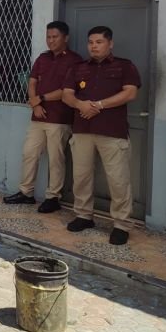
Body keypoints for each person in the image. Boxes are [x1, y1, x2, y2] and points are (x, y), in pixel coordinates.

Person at [62, 26, 140, 245]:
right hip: (83, 131)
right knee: (81, 176)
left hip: (112, 132)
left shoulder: (124, 66)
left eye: (99, 42)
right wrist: (81, 104)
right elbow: (68, 95)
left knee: (118, 180)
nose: (94, 46)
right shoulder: (78, 68)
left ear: (110, 43)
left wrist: (99, 105)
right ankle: (84, 216)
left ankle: (121, 224)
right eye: (91, 42)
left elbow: (131, 92)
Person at [4, 21, 83, 212]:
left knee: (56, 159)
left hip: (59, 118)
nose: (51, 40)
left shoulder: (75, 60)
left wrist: (40, 98)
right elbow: (32, 81)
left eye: (55, 37)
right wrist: (35, 102)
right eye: (48, 37)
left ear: (66, 38)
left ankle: (53, 197)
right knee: (29, 153)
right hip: (38, 117)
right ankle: (26, 192)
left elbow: (67, 90)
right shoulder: (43, 58)